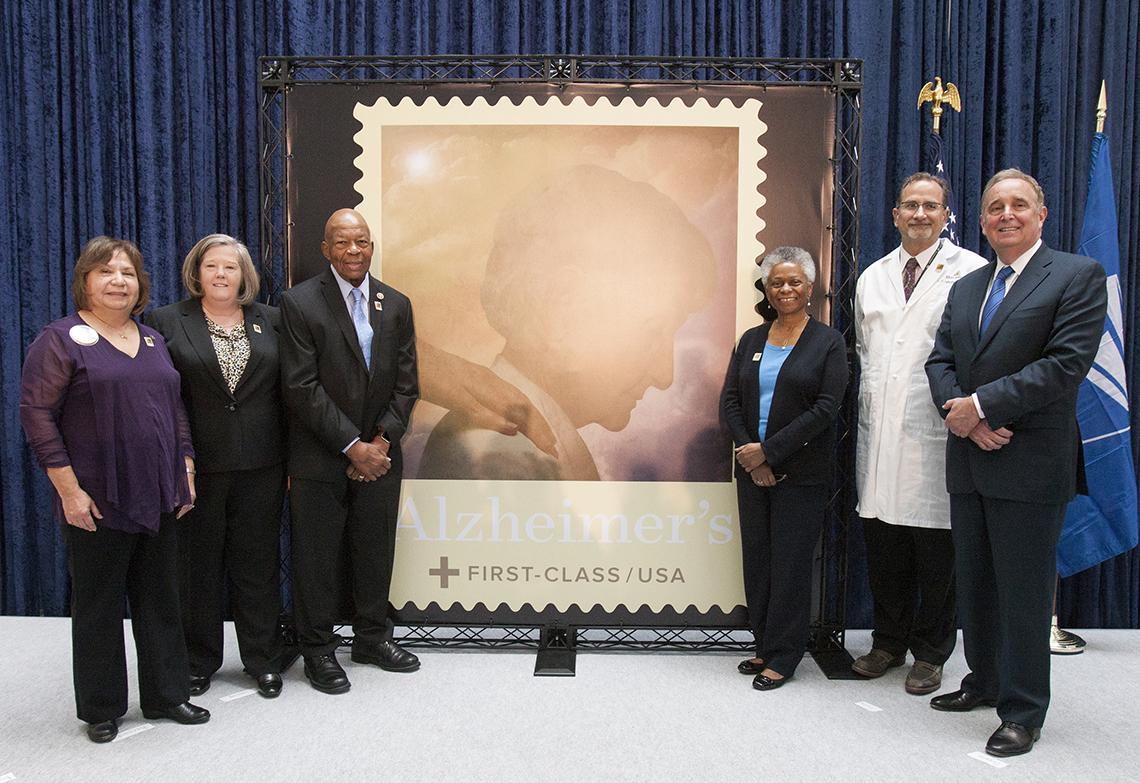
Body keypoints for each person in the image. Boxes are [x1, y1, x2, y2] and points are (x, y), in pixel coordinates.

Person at [925, 169, 1107, 756]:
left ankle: (1024, 711)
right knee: (976, 585)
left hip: (1029, 462)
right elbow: (939, 361)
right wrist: (963, 416)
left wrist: (979, 407)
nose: (1007, 214)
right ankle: (984, 681)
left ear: (1041, 214)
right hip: (970, 459)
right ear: (981, 221)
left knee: (1024, 594)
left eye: (1019, 205)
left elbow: (1064, 364)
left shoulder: (1076, 275)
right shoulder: (966, 287)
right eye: (995, 206)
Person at [19, 237, 209, 743]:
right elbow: (37, 416)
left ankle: (167, 695)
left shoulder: (152, 340)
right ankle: (102, 708)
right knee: (99, 605)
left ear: (140, 285)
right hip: (96, 499)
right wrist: (69, 491)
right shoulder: (60, 339)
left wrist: (186, 469)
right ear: (85, 280)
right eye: (106, 272)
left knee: (161, 600)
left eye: (127, 273)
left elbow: (175, 409)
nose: (118, 281)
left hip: (160, 493)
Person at [419, 164, 716, 480]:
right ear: (562, 309)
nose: (664, 376)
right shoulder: (500, 451)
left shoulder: (527, 439)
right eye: (651, 334)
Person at [852, 173, 986, 694]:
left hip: (936, 433)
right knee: (884, 546)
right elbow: (865, 351)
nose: (920, 214)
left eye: (931, 206)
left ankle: (931, 653)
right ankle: (887, 642)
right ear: (895, 215)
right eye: (911, 205)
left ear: (945, 215)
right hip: (879, 433)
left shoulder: (970, 271)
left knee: (936, 554)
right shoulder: (873, 276)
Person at [279, 208, 420, 694]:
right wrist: (352, 446)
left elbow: (407, 385)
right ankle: (318, 649)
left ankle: (372, 638)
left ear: (372, 246)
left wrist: (380, 442)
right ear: (326, 249)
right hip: (321, 455)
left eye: (361, 241)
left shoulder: (395, 304)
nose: (353, 250)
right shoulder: (299, 303)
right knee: (317, 558)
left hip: (380, 457)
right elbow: (301, 386)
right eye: (342, 242)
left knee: (375, 551)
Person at [146, 234, 286, 699]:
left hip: (262, 465)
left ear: (245, 275)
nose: (221, 274)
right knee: (197, 568)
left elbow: (286, 394)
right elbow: (161, 398)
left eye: (231, 266)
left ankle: (262, 658)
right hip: (196, 467)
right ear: (196, 273)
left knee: (257, 565)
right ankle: (198, 660)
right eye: (212, 266)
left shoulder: (272, 321)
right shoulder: (166, 321)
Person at [720, 246, 848, 690]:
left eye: (794, 282)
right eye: (777, 282)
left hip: (801, 473)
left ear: (810, 288)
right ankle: (764, 643)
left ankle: (785, 655)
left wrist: (769, 453)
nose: (785, 289)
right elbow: (730, 401)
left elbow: (826, 408)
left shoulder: (828, 342)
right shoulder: (751, 340)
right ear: (766, 289)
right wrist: (751, 454)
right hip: (751, 472)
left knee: (791, 565)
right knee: (758, 561)